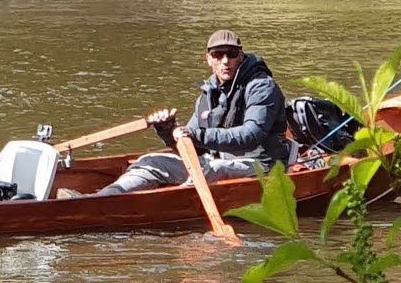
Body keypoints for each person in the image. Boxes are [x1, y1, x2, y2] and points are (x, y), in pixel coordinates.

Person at [93, 29, 294, 195]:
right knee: (149, 162)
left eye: (231, 54)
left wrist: (198, 135)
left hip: (262, 164)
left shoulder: (261, 87)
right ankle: (99, 198)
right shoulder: (207, 94)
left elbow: (251, 135)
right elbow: (191, 146)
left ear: (240, 57)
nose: (225, 61)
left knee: (211, 170)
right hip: (214, 162)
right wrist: (167, 130)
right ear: (208, 59)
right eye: (218, 55)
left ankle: (165, 205)